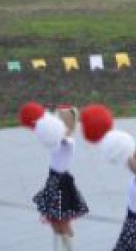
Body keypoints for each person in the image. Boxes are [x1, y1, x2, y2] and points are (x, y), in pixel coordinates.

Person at [32, 107, 88, 251]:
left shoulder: (69, 142)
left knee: (63, 223)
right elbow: (49, 137)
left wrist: (54, 131)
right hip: (52, 180)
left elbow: (63, 140)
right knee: (54, 221)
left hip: (62, 183)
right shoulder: (55, 139)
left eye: (61, 121)